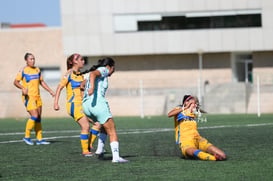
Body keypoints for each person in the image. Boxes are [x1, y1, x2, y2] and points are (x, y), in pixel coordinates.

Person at [80, 57, 128, 163]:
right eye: (113, 68)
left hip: (87, 106)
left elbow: (82, 84)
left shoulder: (90, 74)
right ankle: (116, 158)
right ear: (108, 66)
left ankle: (99, 151)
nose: (113, 70)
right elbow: (93, 74)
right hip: (98, 104)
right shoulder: (104, 70)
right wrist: (92, 88)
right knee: (112, 130)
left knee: (103, 126)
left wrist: (85, 95)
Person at [54, 53, 100, 157]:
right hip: (73, 105)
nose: (83, 61)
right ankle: (85, 151)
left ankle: (89, 145)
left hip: (81, 104)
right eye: (80, 59)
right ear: (74, 62)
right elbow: (59, 88)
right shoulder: (68, 74)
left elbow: (82, 90)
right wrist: (56, 103)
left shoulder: (80, 75)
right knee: (86, 126)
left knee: (97, 124)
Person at [168, 95, 226, 161]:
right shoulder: (180, 111)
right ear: (186, 102)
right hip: (186, 141)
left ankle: (210, 155)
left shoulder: (194, 112)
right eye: (193, 103)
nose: (195, 105)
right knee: (191, 151)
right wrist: (185, 107)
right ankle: (213, 158)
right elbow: (169, 114)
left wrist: (203, 111)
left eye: (196, 103)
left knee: (223, 155)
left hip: (198, 139)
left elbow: (199, 110)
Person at [14, 52, 55, 145]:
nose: (32, 60)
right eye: (30, 59)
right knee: (35, 115)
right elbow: (15, 82)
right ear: (26, 60)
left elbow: (42, 82)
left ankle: (39, 139)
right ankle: (26, 137)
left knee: (38, 118)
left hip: (38, 97)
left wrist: (50, 91)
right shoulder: (23, 70)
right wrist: (23, 88)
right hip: (29, 97)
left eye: (33, 59)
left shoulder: (37, 70)